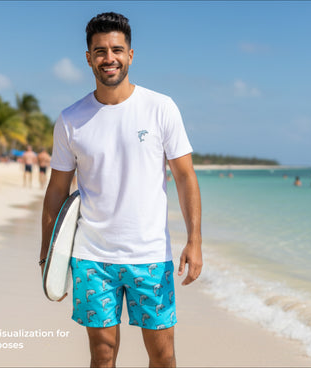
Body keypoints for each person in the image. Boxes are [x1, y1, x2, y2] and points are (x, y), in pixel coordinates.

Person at [39, 12, 202, 367]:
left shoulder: (160, 108)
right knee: (102, 355)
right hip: (92, 256)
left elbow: (186, 177)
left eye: (116, 49)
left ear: (130, 54)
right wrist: (47, 253)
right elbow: (56, 190)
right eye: (100, 51)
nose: (108, 58)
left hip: (150, 255)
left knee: (163, 355)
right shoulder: (71, 119)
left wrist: (194, 241)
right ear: (88, 58)